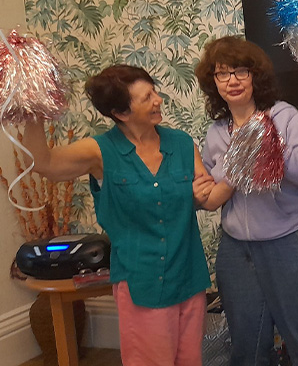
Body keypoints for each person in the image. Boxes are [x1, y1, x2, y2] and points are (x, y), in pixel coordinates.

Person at [22, 65, 234, 366]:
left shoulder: (181, 144)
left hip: (188, 277)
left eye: (154, 91)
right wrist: (32, 109)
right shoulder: (99, 152)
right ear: (121, 113)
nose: (158, 99)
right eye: (147, 97)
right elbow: (43, 164)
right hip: (142, 284)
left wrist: (235, 172)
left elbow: (207, 198)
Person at [195, 35, 298, 366]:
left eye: (241, 71)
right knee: (247, 349)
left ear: (255, 75)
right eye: (222, 73)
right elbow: (209, 193)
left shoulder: (284, 116)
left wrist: (274, 148)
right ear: (214, 81)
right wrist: (200, 193)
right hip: (237, 250)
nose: (232, 80)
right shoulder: (216, 132)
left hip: (294, 243)